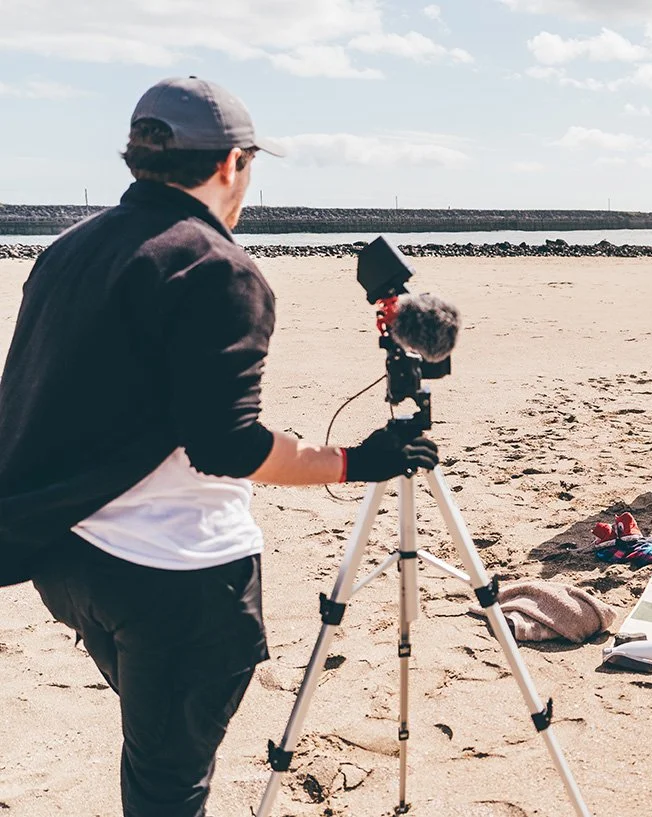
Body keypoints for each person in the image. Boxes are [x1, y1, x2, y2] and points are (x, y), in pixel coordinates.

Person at [0, 77, 438, 817]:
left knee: (156, 758)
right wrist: (353, 463)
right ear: (233, 162)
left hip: (69, 560)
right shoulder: (215, 267)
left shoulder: (69, 248)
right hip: (176, 576)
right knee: (168, 788)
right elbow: (226, 445)